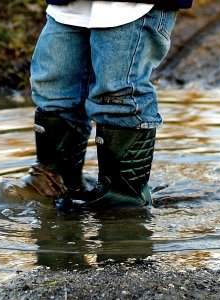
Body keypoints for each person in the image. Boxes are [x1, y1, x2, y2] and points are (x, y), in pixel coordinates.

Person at [28, 0, 193, 210]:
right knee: (54, 88)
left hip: (133, 7)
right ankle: (55, 185)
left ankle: (123, 205)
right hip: (70, 5)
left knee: (118, 95)